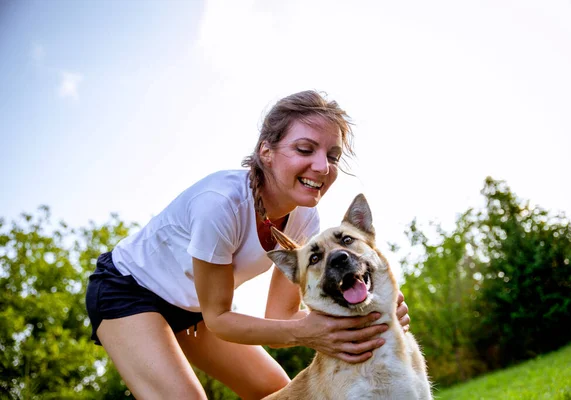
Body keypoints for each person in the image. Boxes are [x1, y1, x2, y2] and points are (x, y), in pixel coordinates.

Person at [85, 90, 411, 400]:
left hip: (195, 309)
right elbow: (220, 318)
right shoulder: (220, 204)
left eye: (333, 155)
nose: (323, 167)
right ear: (266, 152)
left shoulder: (305, 217)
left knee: (277, 391)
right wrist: (313, 334)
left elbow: (280, 313)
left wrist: (369, 313)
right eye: (305, 149)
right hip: (127, 291)